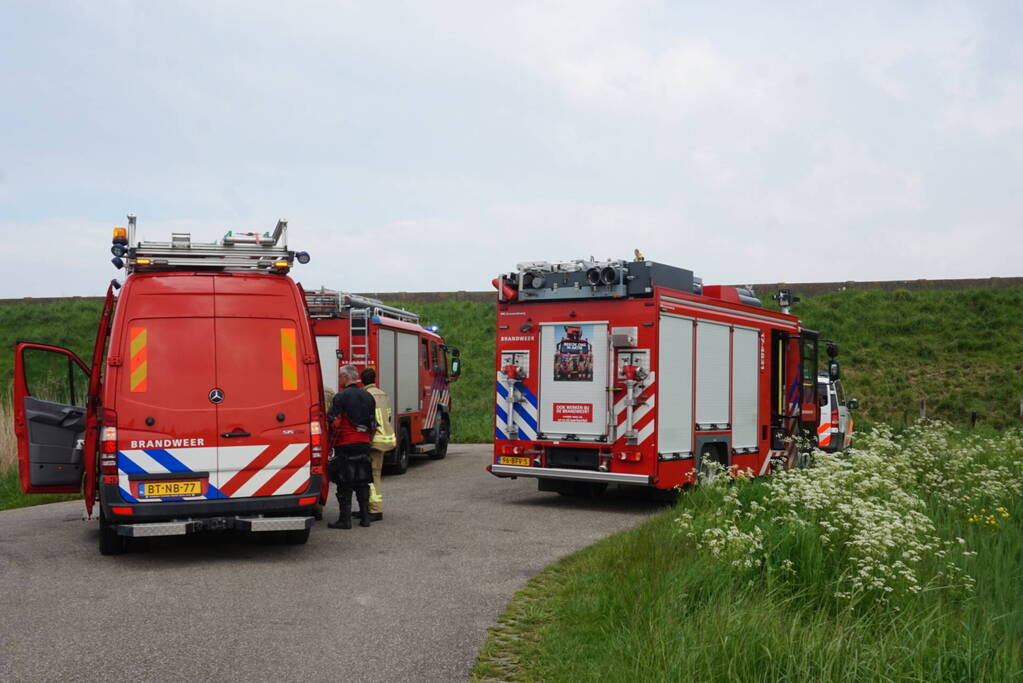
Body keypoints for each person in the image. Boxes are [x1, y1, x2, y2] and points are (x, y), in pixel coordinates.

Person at [326, 364, 377, 529]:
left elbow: (334, 421)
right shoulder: (369, 397)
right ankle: (364, 518)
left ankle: (345, 520)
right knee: (363, 481)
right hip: (363, 443)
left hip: (346, 443)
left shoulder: (341, 397)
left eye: (340, 377)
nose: (339, 379)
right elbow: (373, 424)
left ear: (345, 377)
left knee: (344, 483)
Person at [361, 368, 396, 521]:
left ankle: (375, 509)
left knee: (372, 476)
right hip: (385, 439)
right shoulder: (383, 394)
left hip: (374, 441)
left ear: (362, 381)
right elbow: (387, 417)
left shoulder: (366, 395)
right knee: (376, 474)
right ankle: (370, 507)